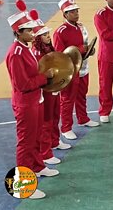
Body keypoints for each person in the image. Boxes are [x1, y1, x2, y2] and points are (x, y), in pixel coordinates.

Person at [5, 0, 59, 199]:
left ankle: (37, 166)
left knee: (36, 138)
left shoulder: (25, 48)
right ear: (18, 32)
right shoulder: (16, 53)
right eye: (28, 30)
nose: (32, 33)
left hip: (36, 101)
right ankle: (23, 186)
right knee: (26, 143)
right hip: (25, 104)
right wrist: (46, 77)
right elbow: (23, 84)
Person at [53, 0, 100, 140]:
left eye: (77, 11)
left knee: (82, 96)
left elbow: (86, 45)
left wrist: (90, 50)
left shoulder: (82, 27)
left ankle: (83, 118)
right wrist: (80, 49)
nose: (76, 14)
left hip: (83, 68)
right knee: (67, 100)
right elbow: (60, 55)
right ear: (65, 14)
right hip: (69, 72)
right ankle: (66, 127)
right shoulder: (60, 32)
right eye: (72, 12)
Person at [30, 9, 71, 167]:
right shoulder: (36, 52)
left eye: (48, 34)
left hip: (53, 89)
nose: (48, 36)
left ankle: (55, 141)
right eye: (45, 35)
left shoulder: (48, 49)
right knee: (46, 121)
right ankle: (45, 153)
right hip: (45, 91)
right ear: (38, 37)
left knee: (55, 116)